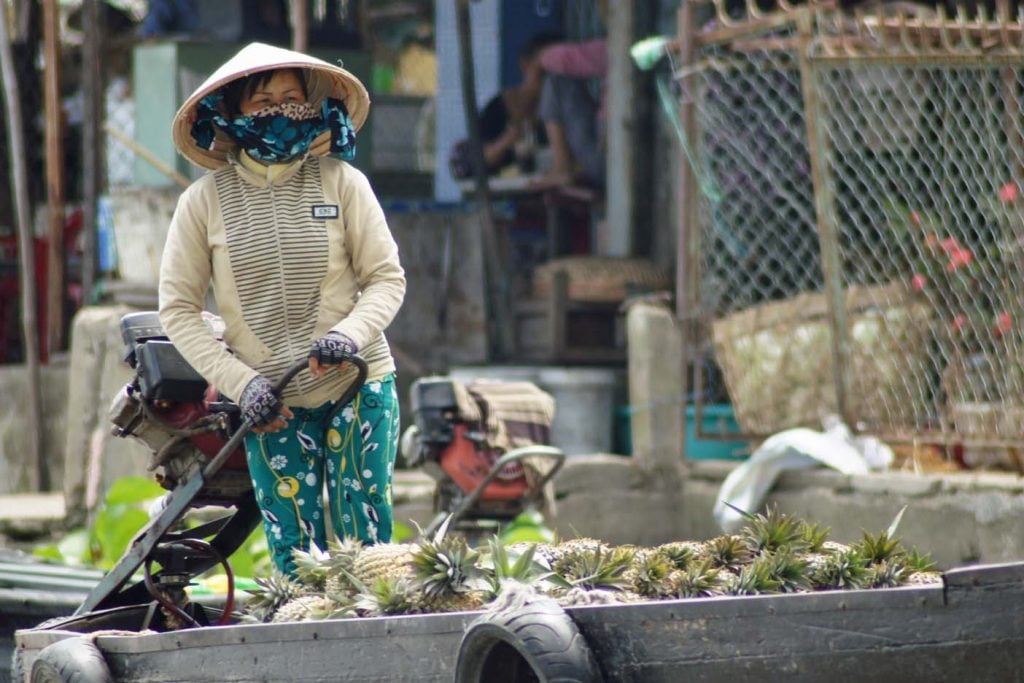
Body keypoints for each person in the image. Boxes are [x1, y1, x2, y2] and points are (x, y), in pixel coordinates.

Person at [159, 42, 406, 579]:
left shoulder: (344, 183)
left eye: (292, 99)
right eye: (263, 100)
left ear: (313, 107)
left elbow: (386, 279)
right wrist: (242, 384)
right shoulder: (202, 202)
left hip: (357, 383)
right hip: (269, 403)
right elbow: (178, 311)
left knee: (365, 549)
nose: (279, 110)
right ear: (232, 113)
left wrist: (349, 334)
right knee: (296, 554)